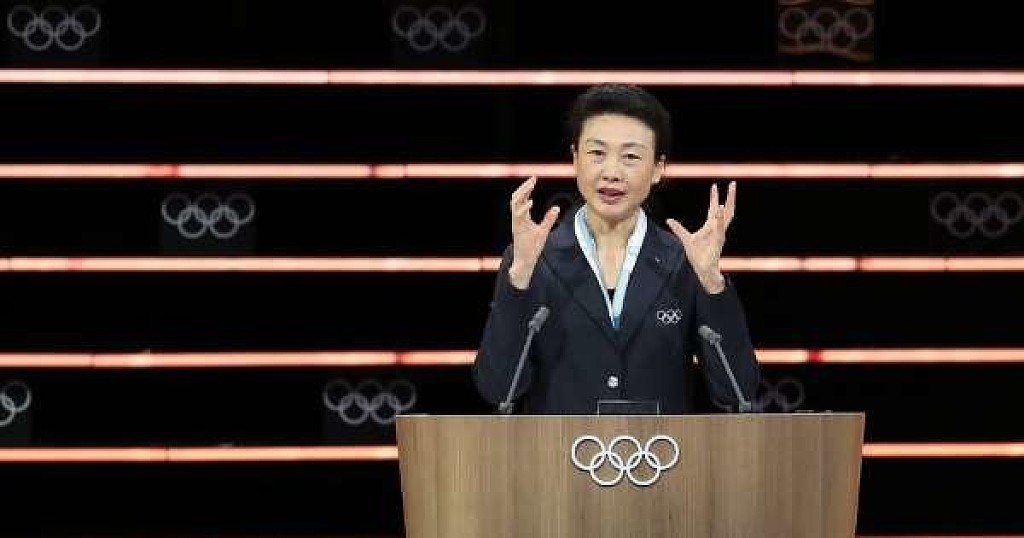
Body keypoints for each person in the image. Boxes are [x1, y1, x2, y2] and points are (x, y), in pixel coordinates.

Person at [472, 83, 761, 414]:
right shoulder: (533, 259)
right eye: (597, 153)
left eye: (630, 157)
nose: (611, 173)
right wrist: (520, 278)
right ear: (575, 159)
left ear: (658, 168)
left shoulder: (684, 261)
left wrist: (712, 283)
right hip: (559, 449)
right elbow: (497, 388)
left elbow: (738, 391)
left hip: (660, 448)